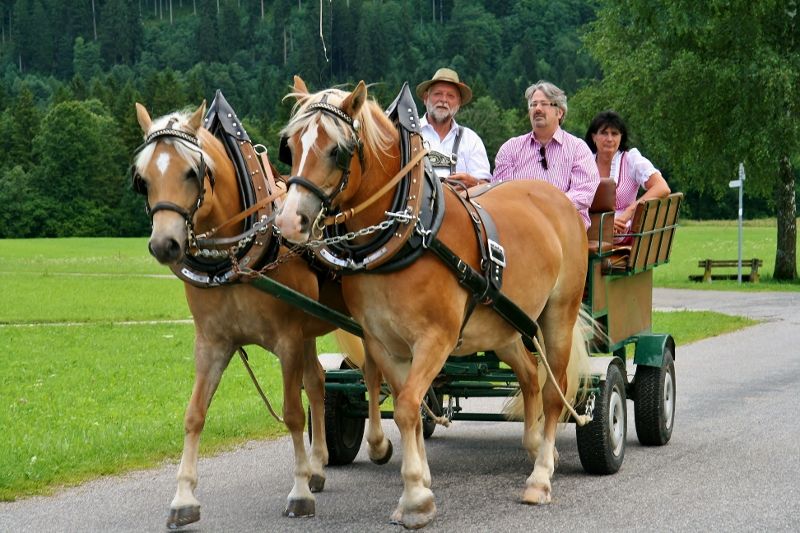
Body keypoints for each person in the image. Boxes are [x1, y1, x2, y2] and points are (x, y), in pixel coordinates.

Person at [492, 80, 599, 229]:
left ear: (559, 112)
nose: (537, 109)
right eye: (533, 104)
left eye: (544, 104)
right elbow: (500, 193)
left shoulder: (578, 148)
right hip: (520, 225)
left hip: (564, 225)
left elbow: (583, 192)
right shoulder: (510, 148)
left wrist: (547, 208)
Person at [584, 110, 671, 241]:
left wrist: (629, 212)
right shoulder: (584, 162)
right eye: (604, 133)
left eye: (614, 134)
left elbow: (662, 187)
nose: (609, 139)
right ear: (593, 137)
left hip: (621, 229)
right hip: (588, 225)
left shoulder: (631, 160)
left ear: (621, 137)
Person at [416, 68, 492, 188]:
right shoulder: (409, 133)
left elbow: (486, 187)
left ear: (458, 103)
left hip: (460, 200)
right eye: (438, 94)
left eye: (450, 96)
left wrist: (473, 183)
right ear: (426, 98)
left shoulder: (471, 140)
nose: (443, 100)